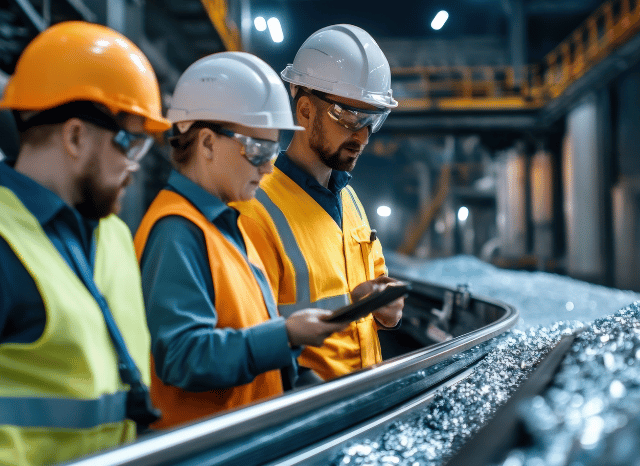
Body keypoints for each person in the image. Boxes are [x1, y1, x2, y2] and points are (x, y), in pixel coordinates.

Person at [134, 51, 349, 430]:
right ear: (206, 144)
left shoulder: (223, 224)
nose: (268, 166)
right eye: (258, 149)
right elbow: (183, 357)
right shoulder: (177, 232)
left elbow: (238, 325)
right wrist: (284, 334)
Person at [0, 21, 170, 466]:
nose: (134, 168)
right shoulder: (3, 241)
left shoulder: (110, 232)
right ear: (75, 136)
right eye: (130, 144)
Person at [235, 24, 405, 381]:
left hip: (365, 404)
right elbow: (247, 340)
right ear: (306, 110)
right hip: (309, 415)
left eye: (373, 120)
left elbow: (379, 301)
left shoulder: (351, 202)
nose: (362, 135)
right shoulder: (254, 207)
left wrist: (387, 309)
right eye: (350, 117)